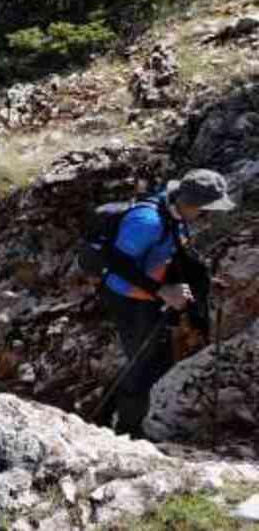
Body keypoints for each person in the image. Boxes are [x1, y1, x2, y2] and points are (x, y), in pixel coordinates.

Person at [97, 169, 235, 438]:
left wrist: (200, 281)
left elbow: (173, 251)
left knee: (153, 359)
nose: (208, 215)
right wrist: (161, 290)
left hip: (149, 293)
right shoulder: (147, 221)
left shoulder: (174, 211)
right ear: (192, 204)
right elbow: (116, 262)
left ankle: (108, 410)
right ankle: (127, 433)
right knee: (144, 365)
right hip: (126, 298)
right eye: (206, 209)